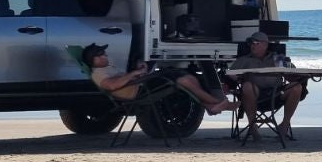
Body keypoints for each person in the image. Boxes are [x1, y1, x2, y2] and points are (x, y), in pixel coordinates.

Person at [82, 44, 237, 115]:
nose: (105, 56)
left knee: (184, 76)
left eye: (104, 53)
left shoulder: (105, 68)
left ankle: (212, 105)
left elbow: (120, 79)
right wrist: (134, 74)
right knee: (182, 80)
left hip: (140, 84)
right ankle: (216, 104)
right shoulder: (97, 73)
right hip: (139, 91)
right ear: (93, 60)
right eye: (101, 54)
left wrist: (139, 69)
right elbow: (111, 85)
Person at [226, 31, 306, 140]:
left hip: (277, 95)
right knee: (247, 86)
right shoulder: (244, 60)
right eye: (251, 43)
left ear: (265, 44)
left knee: (296, 87)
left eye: (256, 43)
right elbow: (230, 75)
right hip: (255, 96)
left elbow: (290, 76)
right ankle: (252, 126)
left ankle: (284, 125)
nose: (252, 46)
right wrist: (237, 78)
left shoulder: (277, 58)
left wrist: (296, 76)